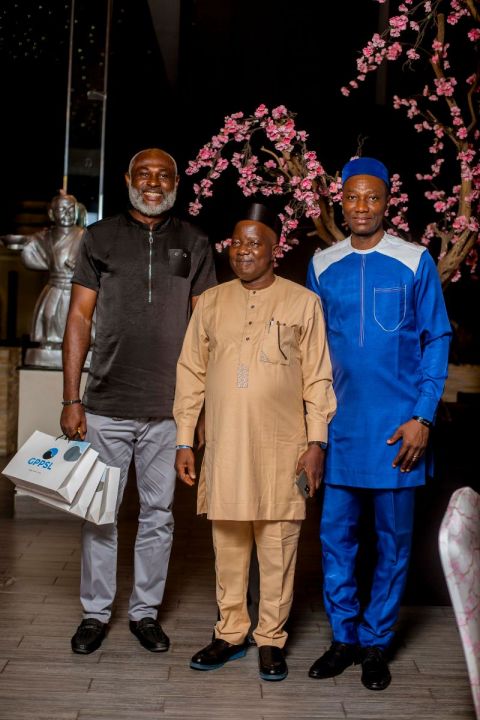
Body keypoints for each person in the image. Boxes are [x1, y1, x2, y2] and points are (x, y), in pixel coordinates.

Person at [60, 148, 217, 655]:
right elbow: (79, 318)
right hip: (105, 405)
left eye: (163, 175)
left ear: (177, 181)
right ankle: (95, 614)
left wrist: (201, 408)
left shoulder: (194, 242)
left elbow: (206, 330)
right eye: (144, 174)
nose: (153, 182)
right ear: (128, 178)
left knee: (159, 516)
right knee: (98, 514)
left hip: (170, 411)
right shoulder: (99, 237)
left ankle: (145, 613)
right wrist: (71, 397)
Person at [173, 202, 336, 681]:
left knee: (278, 546)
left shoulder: (303, 302)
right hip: (224, 447)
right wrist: (184, 440)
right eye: (237, 242)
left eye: (254, 243)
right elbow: (190, 373)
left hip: (283, 448)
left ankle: (270, 639)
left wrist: (316, 443)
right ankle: (230, 633)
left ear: (274, 249)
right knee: (227, 545)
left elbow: (318, 378)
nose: (243, 250)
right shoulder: (210, 302)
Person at [306, 157, 451, 690]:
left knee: (393, 545)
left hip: (398, 433)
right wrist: (312, 430)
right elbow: (311, 350)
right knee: (335, 540)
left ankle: (376, 643)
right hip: (339, 429)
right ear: (340, 203)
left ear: (388, 202)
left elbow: (437, 337)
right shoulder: (323, 264)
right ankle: (344, 637)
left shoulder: (415, 260)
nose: (362, 207)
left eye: (372, 197)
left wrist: (422, 416)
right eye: (352, 197)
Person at [2, 194, 88, 368]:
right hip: (55, 286)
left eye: (70, 209)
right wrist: (19, 243)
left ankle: (81, 344)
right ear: (51, 214)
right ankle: (51, 343)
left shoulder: (85, 236)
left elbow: (98, 258)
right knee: (49, 315)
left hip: (77, 288)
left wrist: (80, 265)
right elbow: (28, 245)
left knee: (79, 318)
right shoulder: (45, 237)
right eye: (61, 209)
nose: (67, 214)